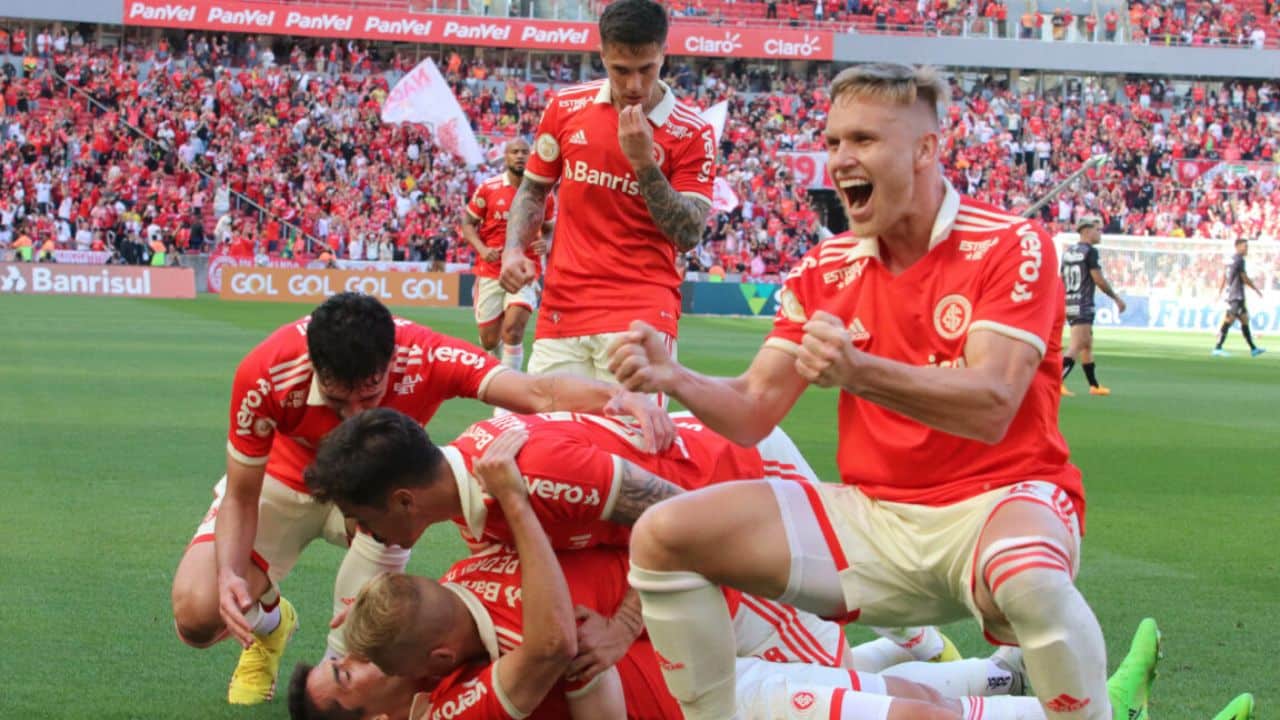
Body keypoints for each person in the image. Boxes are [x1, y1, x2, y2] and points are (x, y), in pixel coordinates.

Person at [607, 63, 1161, 720]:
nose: (840, 158)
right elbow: (754, 410)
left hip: (998, 506)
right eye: (835, 140)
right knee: (663, 536)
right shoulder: (825, 266)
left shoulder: (1012, 244)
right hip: (872, 515)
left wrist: (860, 371)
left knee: (1031, 575)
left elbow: (992, 406)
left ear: (925, 149)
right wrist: (678, 379)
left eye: (864, 140)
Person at [169, 292, 671, 706]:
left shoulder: (424, 353)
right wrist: (232, 573)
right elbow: (241, 491)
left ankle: (357, 703)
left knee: (367, 623)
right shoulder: (267, 371)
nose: (354, 414)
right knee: (197, 615)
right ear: (313, 365)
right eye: (339, 399)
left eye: (371, 396)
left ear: (392, 362)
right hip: (287, 479)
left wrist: (617, 398)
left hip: (381, 499)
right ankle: (274, 624)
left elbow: (537, 392)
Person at [499, 0, 716, 400]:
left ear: (664, 55)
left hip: (641, 312)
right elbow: (532, 189)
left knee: (632, 449)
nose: (634, 84)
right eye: (621, 70)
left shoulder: (692, 132)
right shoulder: (565, 108)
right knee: (553, 447)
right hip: (563, 308)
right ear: (602, 56)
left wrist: (643, 163)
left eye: (646, 69)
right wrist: (513, 249)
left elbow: (688, 233)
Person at [461, 139, 555, 371]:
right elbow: (467, 224)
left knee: (513, 329)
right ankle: (497, 363)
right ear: (506, 157)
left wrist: (547, 243)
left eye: (525, 152)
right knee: (489, 340)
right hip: (490, 271)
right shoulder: (488, 188)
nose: (520, 156)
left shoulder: (543, 193)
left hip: (526, 269)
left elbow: (550, 229)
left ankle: (509, 384)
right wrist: (482, 250)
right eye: (515, 152)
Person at [1059, 216, 1127, 397]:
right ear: (1087, 231)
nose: (1100, 233)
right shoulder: (1089, 252)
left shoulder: (1068, 252)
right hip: (1083, 302)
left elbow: (1061, 279)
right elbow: (1098, 279)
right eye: (1097, 229)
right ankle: (1055, 382)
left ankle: (1094, 385)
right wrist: (1116, 298)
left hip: (1070, 301)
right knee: (1077, 344)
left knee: (1087, 344)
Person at [1212, 238, 1266, 358]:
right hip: (1236, 295)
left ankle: (1253, 349)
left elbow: (1223, 277)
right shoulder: (1240, 260)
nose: (1247, 249)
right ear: (1237, 247)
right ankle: (1217, 347)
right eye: (1245, 247)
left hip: (1234, 295)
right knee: (1229, 320)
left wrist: (1220, 292)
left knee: (1244, 320)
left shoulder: (1230, 260)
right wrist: (1256, 289)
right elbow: (1244, 277)